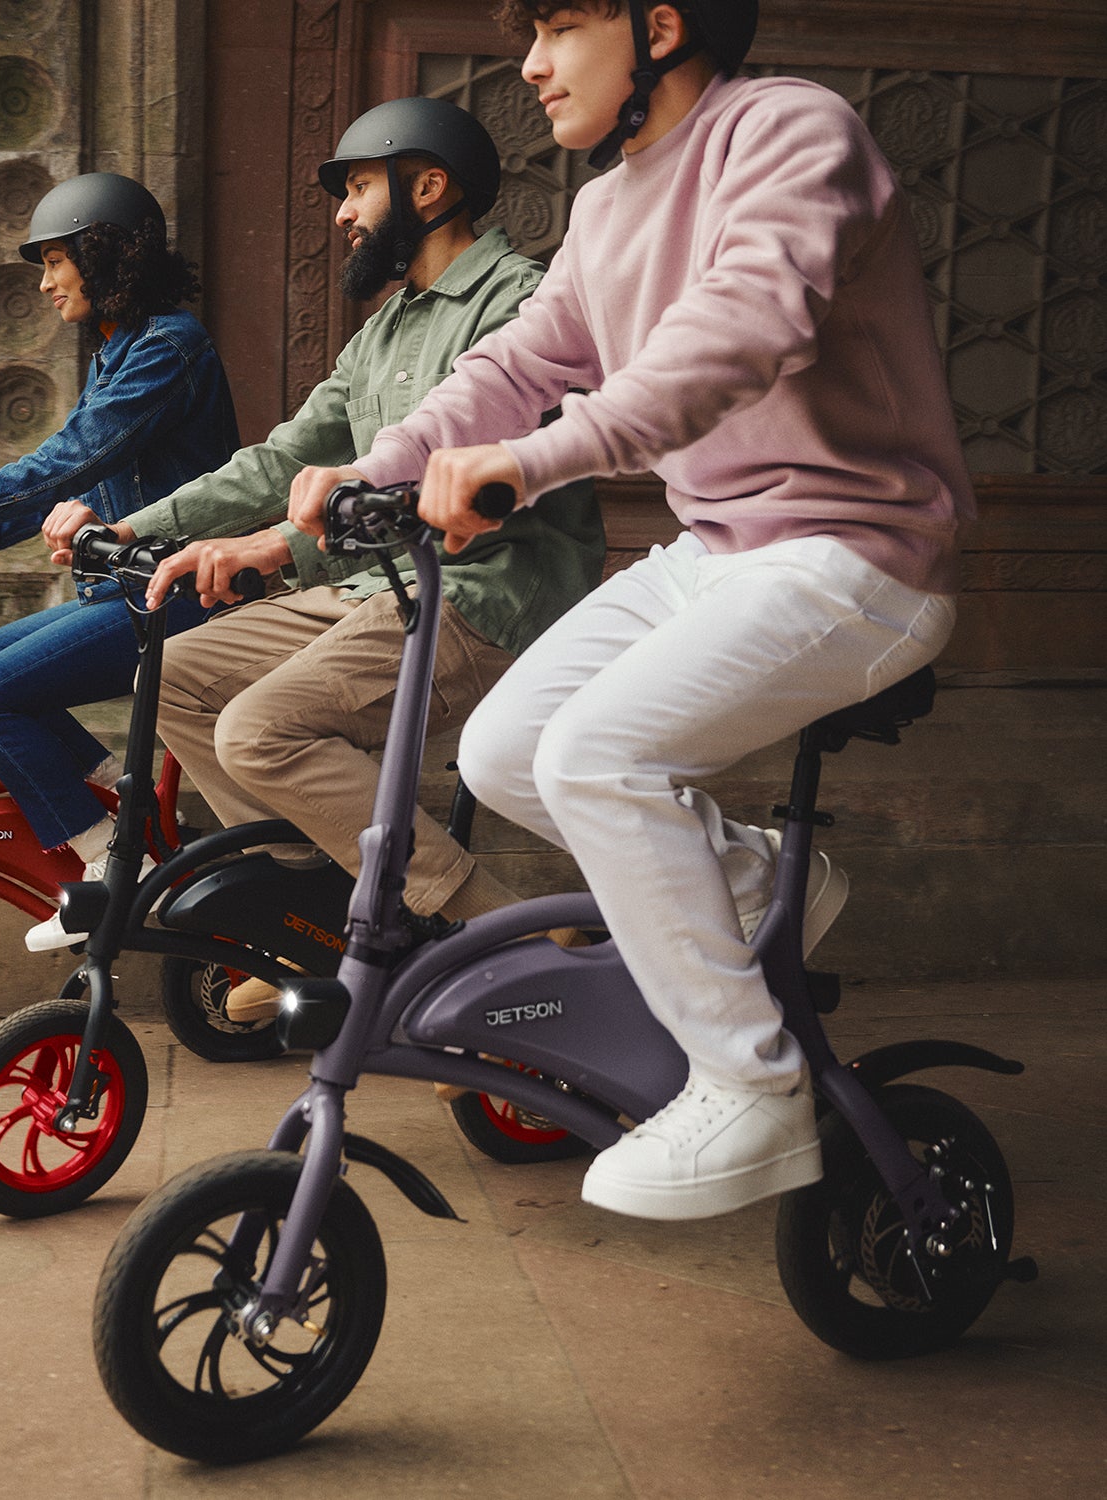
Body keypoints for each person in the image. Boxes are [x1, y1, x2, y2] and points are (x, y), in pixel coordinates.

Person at [289, 0, 974, 1220]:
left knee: (598, 755)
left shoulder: (791, 133)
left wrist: (539, 459)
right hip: (714, 547)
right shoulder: (604, 207)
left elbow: (739, 334)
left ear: (659, 25)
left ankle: (750, 1084)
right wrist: (381, 465)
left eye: (559, 27)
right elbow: (516, 364)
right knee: (505, 753)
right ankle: (765, 884)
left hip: (855, 551)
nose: (533, 64)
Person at [53, 98, 606, 1019]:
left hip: (481, 593)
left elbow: (453, 487)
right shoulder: (384, 331)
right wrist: (144, 526)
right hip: (369, 588)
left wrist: (279, 544)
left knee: (258, 732)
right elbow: (282, 458)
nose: (342, 213)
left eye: (356, 188)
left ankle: (492, 934)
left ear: (428, 188)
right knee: (180, 667)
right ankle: (313, 915)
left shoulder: (519, 300)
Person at [0, 173, 239, 951]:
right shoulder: (121, 352)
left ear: (103, 258)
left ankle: (109, 861)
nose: (43, 282)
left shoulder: (168, 345)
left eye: (56, 261)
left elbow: (69, 459)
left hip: (172, 595)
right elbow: (74, 481)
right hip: (127, 591)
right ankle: (116, 805)